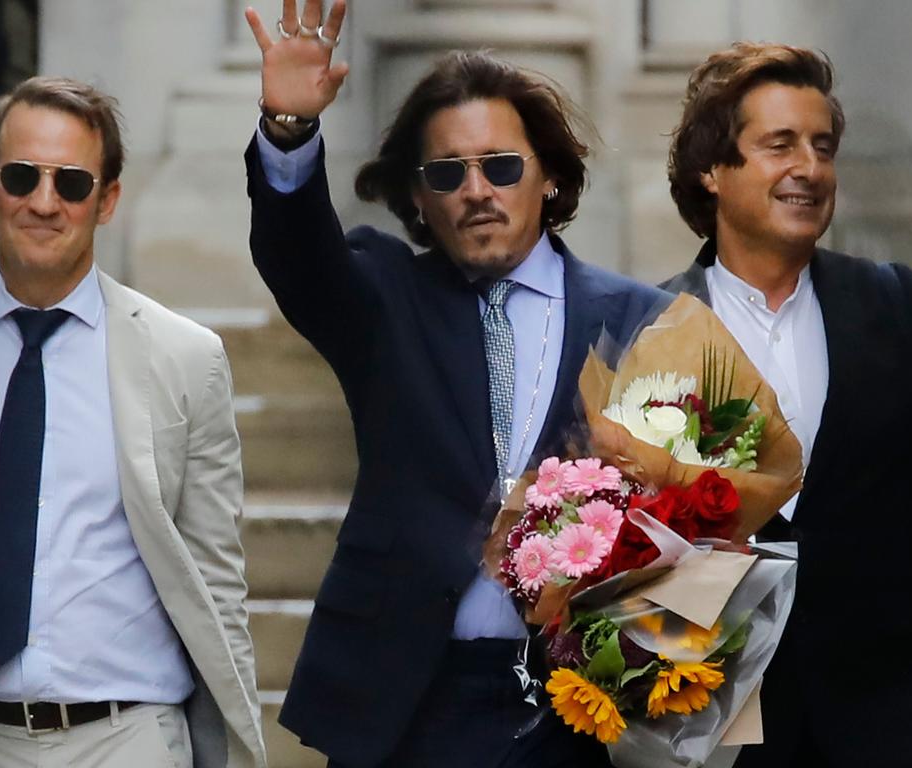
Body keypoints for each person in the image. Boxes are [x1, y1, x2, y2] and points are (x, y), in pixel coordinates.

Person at [243, 1, 670, 766]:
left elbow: (691, 511)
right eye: (449, 173)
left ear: (549, 178)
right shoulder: (382, 297)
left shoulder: (642, 321)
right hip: (407, 699)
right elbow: (297, 257)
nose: (478, 189)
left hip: (573, 707)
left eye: (501, 166)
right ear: (417, 198)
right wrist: (288, 130)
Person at [662, 42, 912, 768]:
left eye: (822, 146)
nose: (809, 169)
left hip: (899, 725)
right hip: (727, 739)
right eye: (780, 145)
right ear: (711, 170)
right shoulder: (650, 329)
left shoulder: (900, 308)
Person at [0, 77, 265, 768]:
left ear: (108, 201)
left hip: (129, 739)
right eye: (21, 177)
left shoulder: (185, 358)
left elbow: (218, 582)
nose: (44, 203)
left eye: (71, 183)